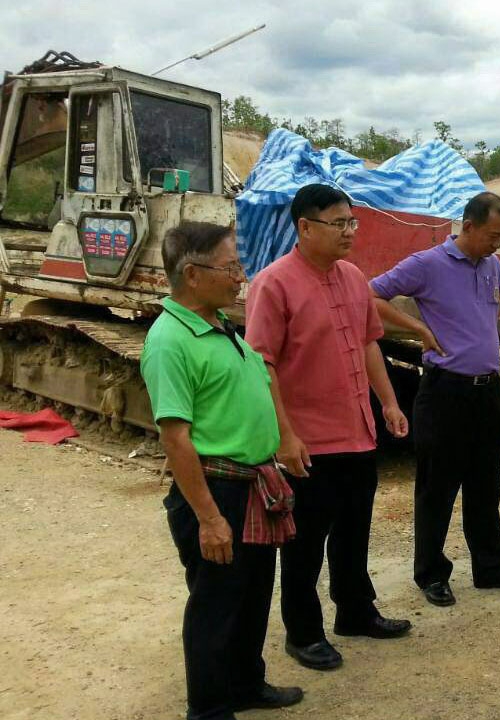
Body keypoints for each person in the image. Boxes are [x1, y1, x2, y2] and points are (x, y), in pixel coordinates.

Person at [245, 184, 412, 672]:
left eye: (351, 223)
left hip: (357, 432)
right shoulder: (273, 284)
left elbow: (367, 344)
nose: (348, 232)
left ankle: (356, 612)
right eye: (338, 224)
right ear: (305, 227)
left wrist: (388, 403)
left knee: (354, 530)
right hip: (309, 441)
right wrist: (286, 435)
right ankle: (303, 632)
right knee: (304, 542)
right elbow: (262, 364)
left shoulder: (353, 277)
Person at [141, 221, 303, 720]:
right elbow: (176, 438)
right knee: (215, 605)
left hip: (252, 485)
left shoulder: (220, 326)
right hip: (217, 492)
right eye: (231, 266)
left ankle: (245, 684)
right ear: (193, 274)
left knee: (252, 596)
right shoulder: (170, 340)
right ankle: (209, 709)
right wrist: (209, 518)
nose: (240, 276)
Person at [370, 191, 500, 607]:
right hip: (445, 391)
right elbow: (371, 296)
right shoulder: (427, 264)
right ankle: (431, 574)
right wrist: (419, 328)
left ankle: (491, 568)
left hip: (487, 392)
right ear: (468, 226)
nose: (498, 243)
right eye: (493, 235)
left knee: (486, 485)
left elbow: (496, 302)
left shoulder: (492, 265)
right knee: (437, 487)